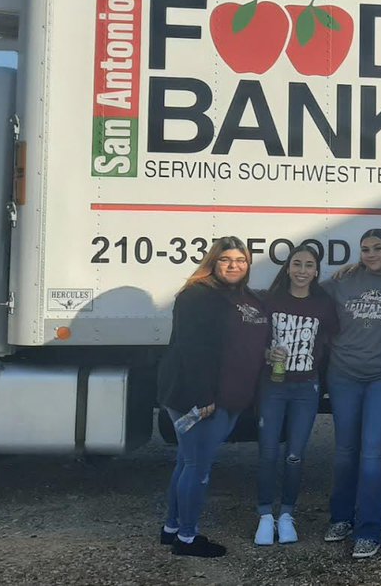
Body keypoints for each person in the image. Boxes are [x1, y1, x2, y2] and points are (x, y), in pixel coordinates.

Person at [157, 236, 269, 558]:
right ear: (213, 262)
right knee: (197, 466)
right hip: (198, 397)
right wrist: (201, 396)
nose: (234, 266)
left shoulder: (242, 296)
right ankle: (188, 539)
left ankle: (172, 528)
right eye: (226, 260)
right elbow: (192, 349)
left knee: (186, 461)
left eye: (241, 260)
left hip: (229, 395)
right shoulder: (197, 296)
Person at [322, 228, 381, 558]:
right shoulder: (342, 282)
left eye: (377, 248)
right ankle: (341, 518)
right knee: (345, 450)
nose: (371, 254)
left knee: (372, 451)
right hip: (344, 376)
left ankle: (369, 530)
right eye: (365, 249)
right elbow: (300, 292)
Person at [254, 243, 338, 546]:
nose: (302, 271)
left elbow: (333, 340)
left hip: (306, 387)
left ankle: (287, 514)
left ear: (316, 272)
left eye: (309, 266)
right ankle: (265, 515)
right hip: (273, 385)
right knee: (267, 452)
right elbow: (253, 340)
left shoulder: (323, 304)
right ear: (287, 267)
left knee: (294, 454)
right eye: (297, 264)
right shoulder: (270, 300)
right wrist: (265, 353)